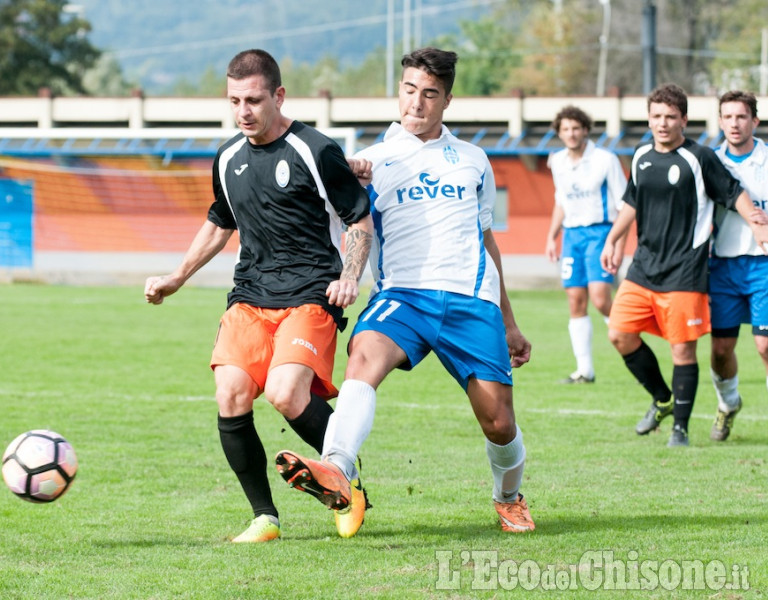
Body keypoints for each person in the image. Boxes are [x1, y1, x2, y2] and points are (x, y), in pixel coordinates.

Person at [274, 47, 535, 538]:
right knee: (365, 356)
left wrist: (510, 321)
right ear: (400, 92)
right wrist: (350, 188)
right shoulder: (369, 162)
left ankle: (508, 497)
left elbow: (487, 242)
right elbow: (340, 226)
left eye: (430, 94)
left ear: (447, 100)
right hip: (404, 297)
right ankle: (337, 467)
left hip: (470, 300)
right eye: (410, 91)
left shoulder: (475, 161)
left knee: (499, 424)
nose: (417, 103)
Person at [144, 48, 373, 543]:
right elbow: (219, 223)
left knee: (285, 394)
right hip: (250, 295)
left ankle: (347, 483)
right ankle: (264, 517)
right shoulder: (227, 157)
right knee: (230, 395)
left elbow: (357, 217)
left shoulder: (315, 149)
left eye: (253, 100)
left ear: (278, 95)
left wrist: (351, 275)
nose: (243, 111)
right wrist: (176, 277)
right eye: (234, 101)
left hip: (311, 292)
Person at [600, 83, 768, 447]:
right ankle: (663, 398)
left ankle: (680, 430)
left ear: (684, 120)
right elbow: (632, 200)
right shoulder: (642, 154)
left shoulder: (701, 157)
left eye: (670, 117)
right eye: (656, 116)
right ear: (648, 118)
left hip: (686, 271)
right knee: (618, 333)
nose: (662, 123)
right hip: (644, 267)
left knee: (686, 350)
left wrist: (757, 224)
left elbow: (733, 192)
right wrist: (613, 239)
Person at [545, 105, 627, 384]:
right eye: (565, 129)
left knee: (601, 298)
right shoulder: (557, 162)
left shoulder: (605, 159)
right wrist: (551, 236)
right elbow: (561, 202)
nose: (571, 133)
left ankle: (631, 346)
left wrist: (617, 245)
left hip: (601, 234)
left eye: (576, 128)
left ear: (586, 130)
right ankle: (584, 371)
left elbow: (624, 206)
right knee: (575, 301)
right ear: (559, 132)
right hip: (572, 237)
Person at [708, 90, 768, 441]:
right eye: (728, 117)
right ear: (720, 121)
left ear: (754, 122)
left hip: (764, 265)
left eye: (741, 116)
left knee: (765, 346)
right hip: (722, 268)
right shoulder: (711, 163)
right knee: (720, 350)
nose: (734, 123)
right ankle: (728, 404)